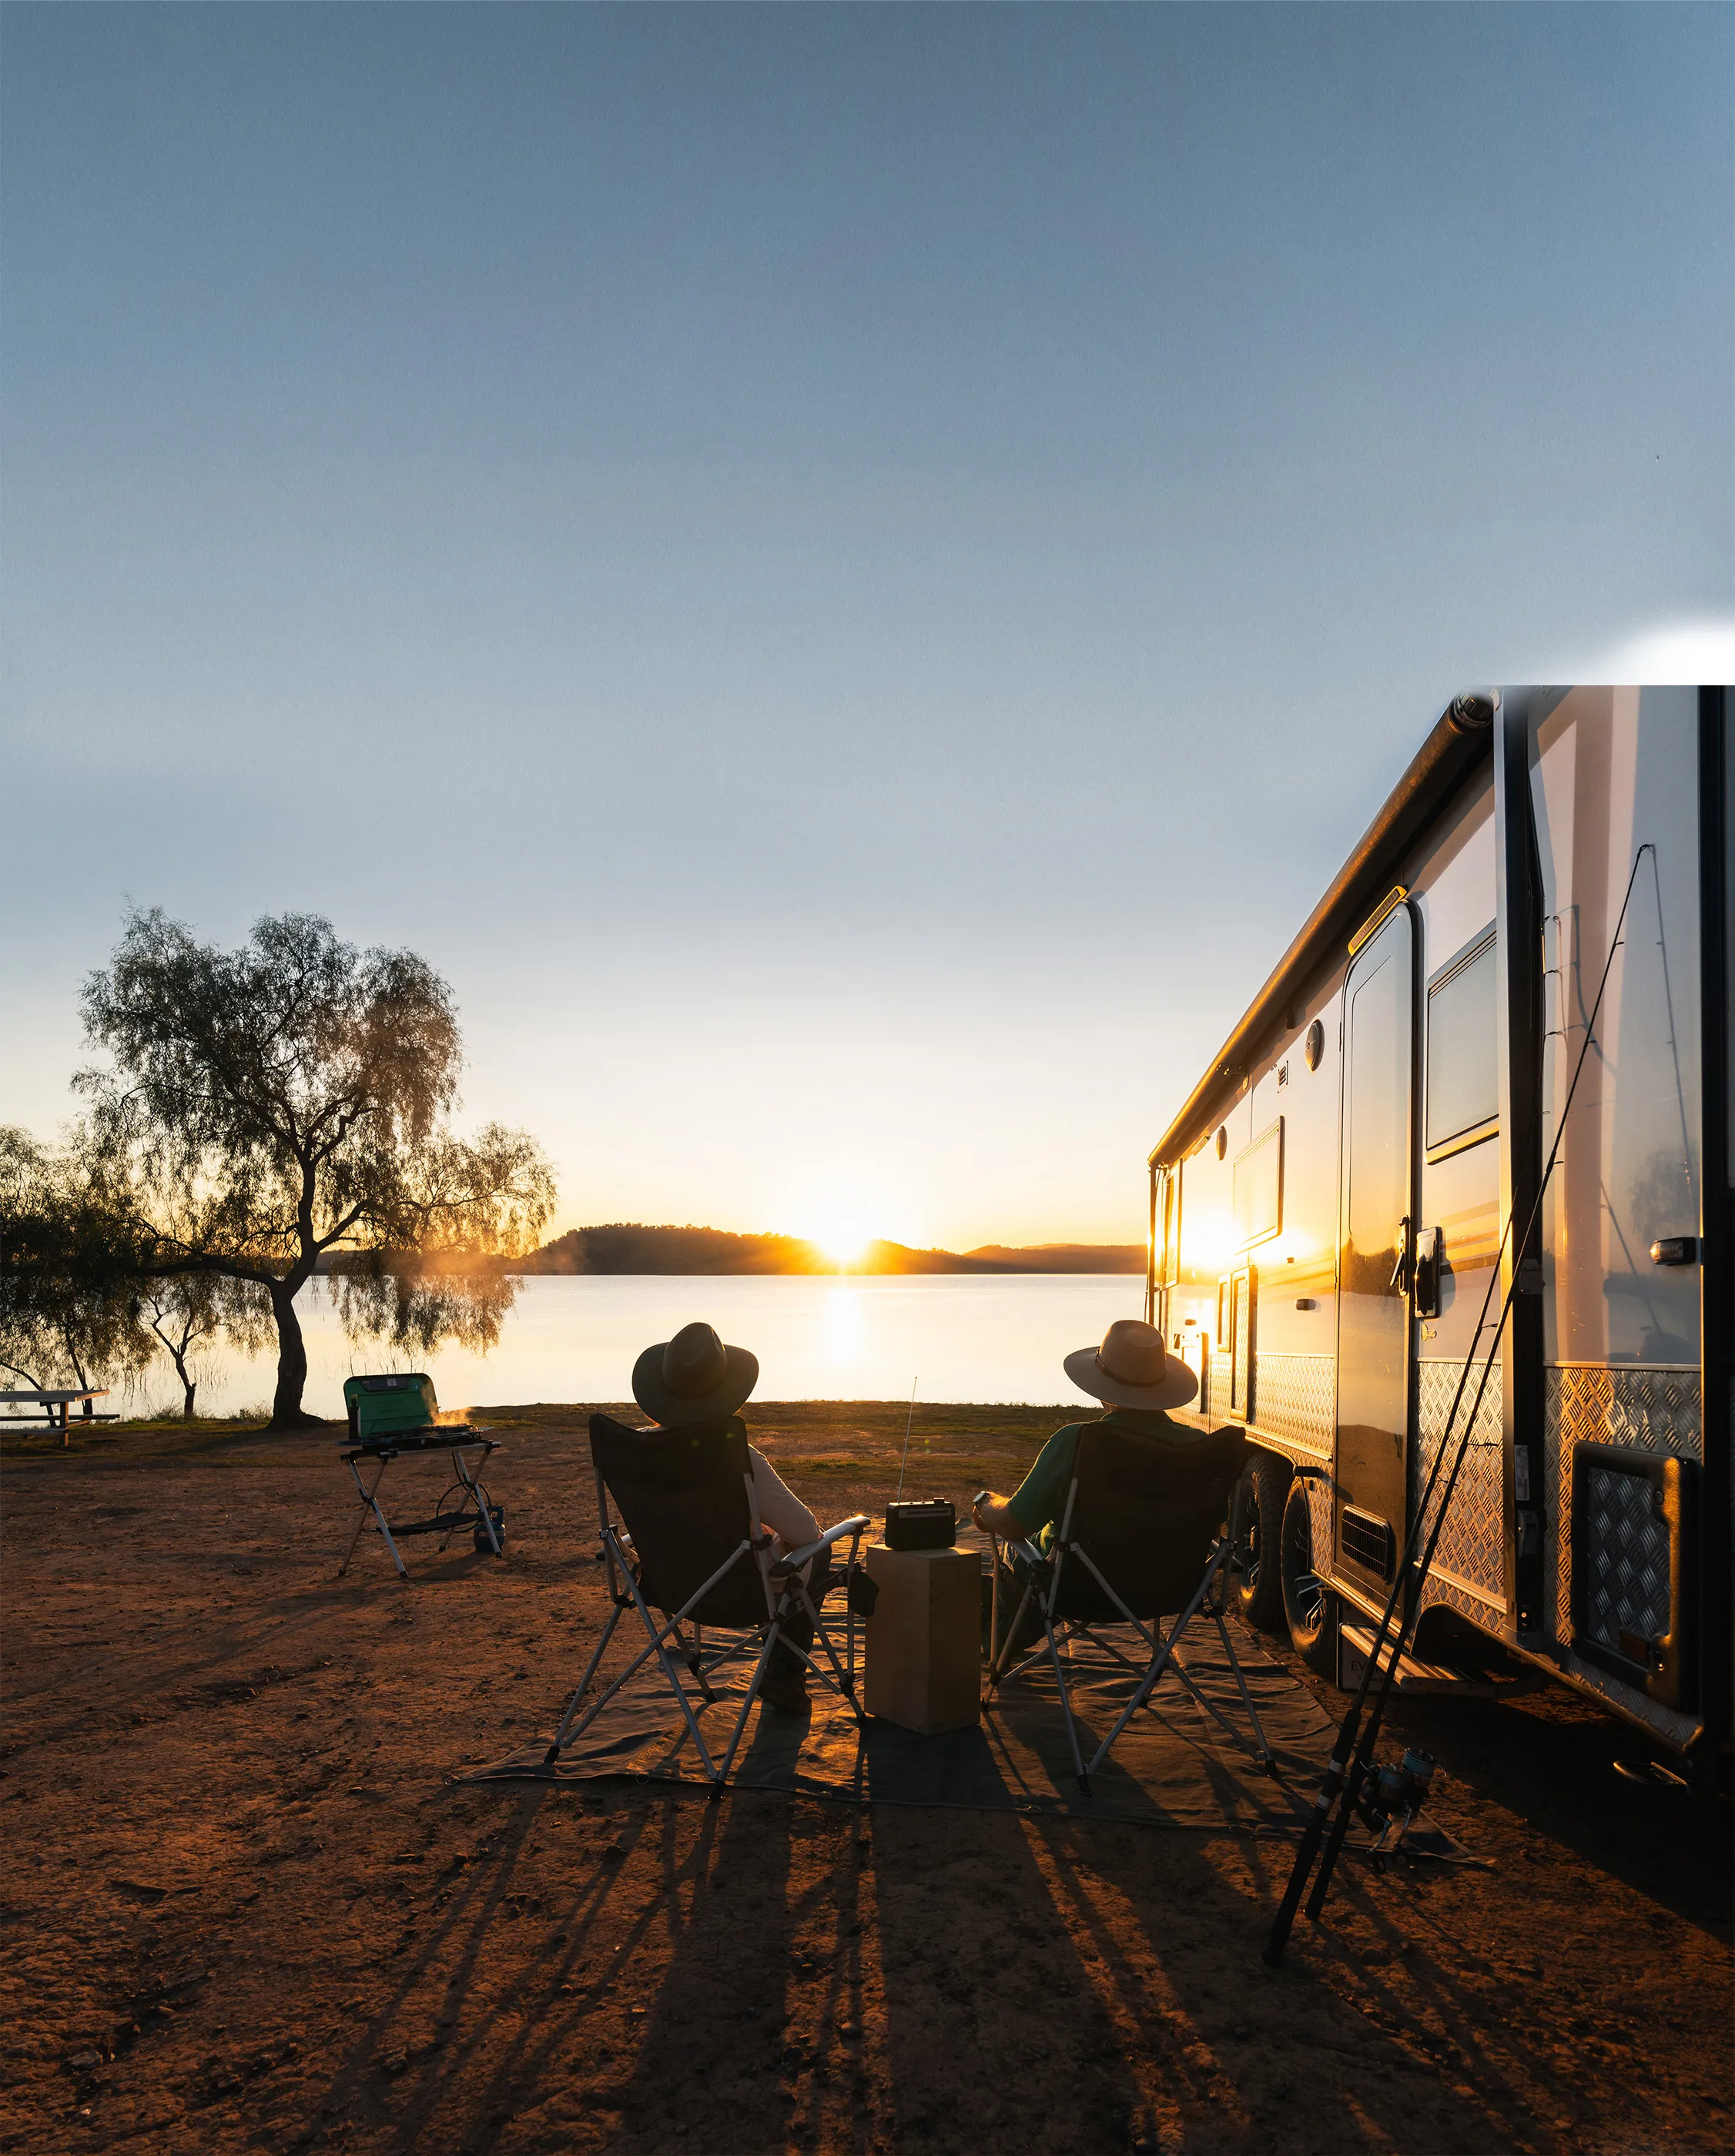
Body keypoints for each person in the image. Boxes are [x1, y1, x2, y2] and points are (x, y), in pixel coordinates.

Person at [630, 1319, 824, 1713]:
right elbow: (806, 1532)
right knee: (817, 1552)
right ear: (724, 1393)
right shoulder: (739, 1460)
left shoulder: (637, 1452)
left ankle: (779, 1672)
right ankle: (784, 1675)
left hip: (669, 1587)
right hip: (742, 1591)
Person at [970, 1316, 1204, 1568]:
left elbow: (1012, 1525)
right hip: (1167, 1590)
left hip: (1078, 1589)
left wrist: (985, 1503)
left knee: (1012, 1556)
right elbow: (1209, 1530)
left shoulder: (1077, 1441)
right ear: (1162, 1384)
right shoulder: (1198, 1446)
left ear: (1102, 1386)